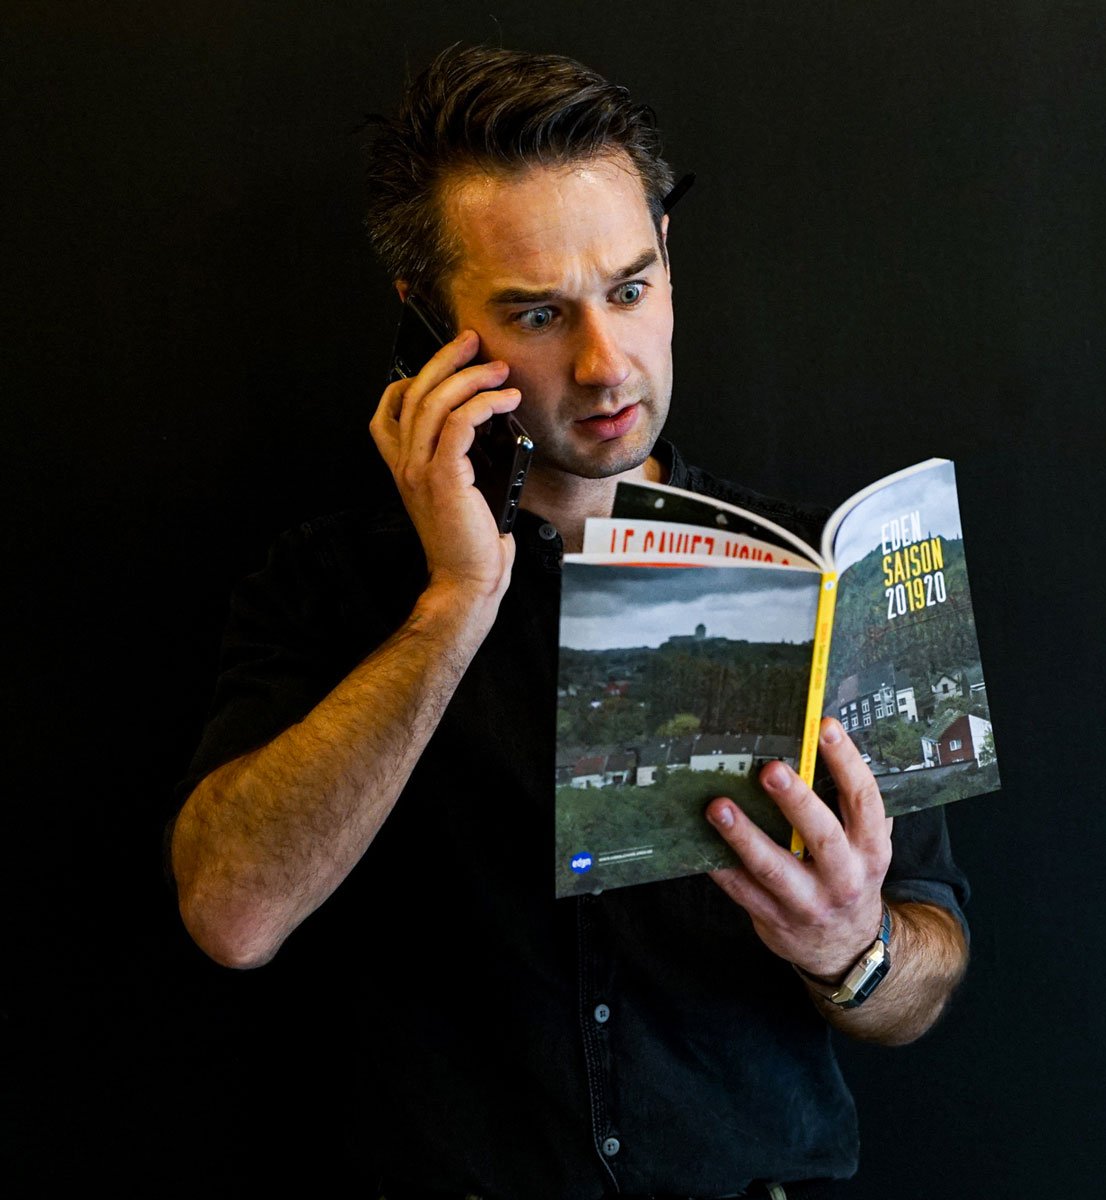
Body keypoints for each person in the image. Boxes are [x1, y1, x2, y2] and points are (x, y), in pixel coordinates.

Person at [170, 44, 969, 1200]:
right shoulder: (328, 587)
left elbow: (930, 973)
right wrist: (453, 608)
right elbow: (231, 917)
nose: (606, 367)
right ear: (431, 325)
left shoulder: (828, 570)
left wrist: (853, 951)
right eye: (540, 313)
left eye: (631, 290)